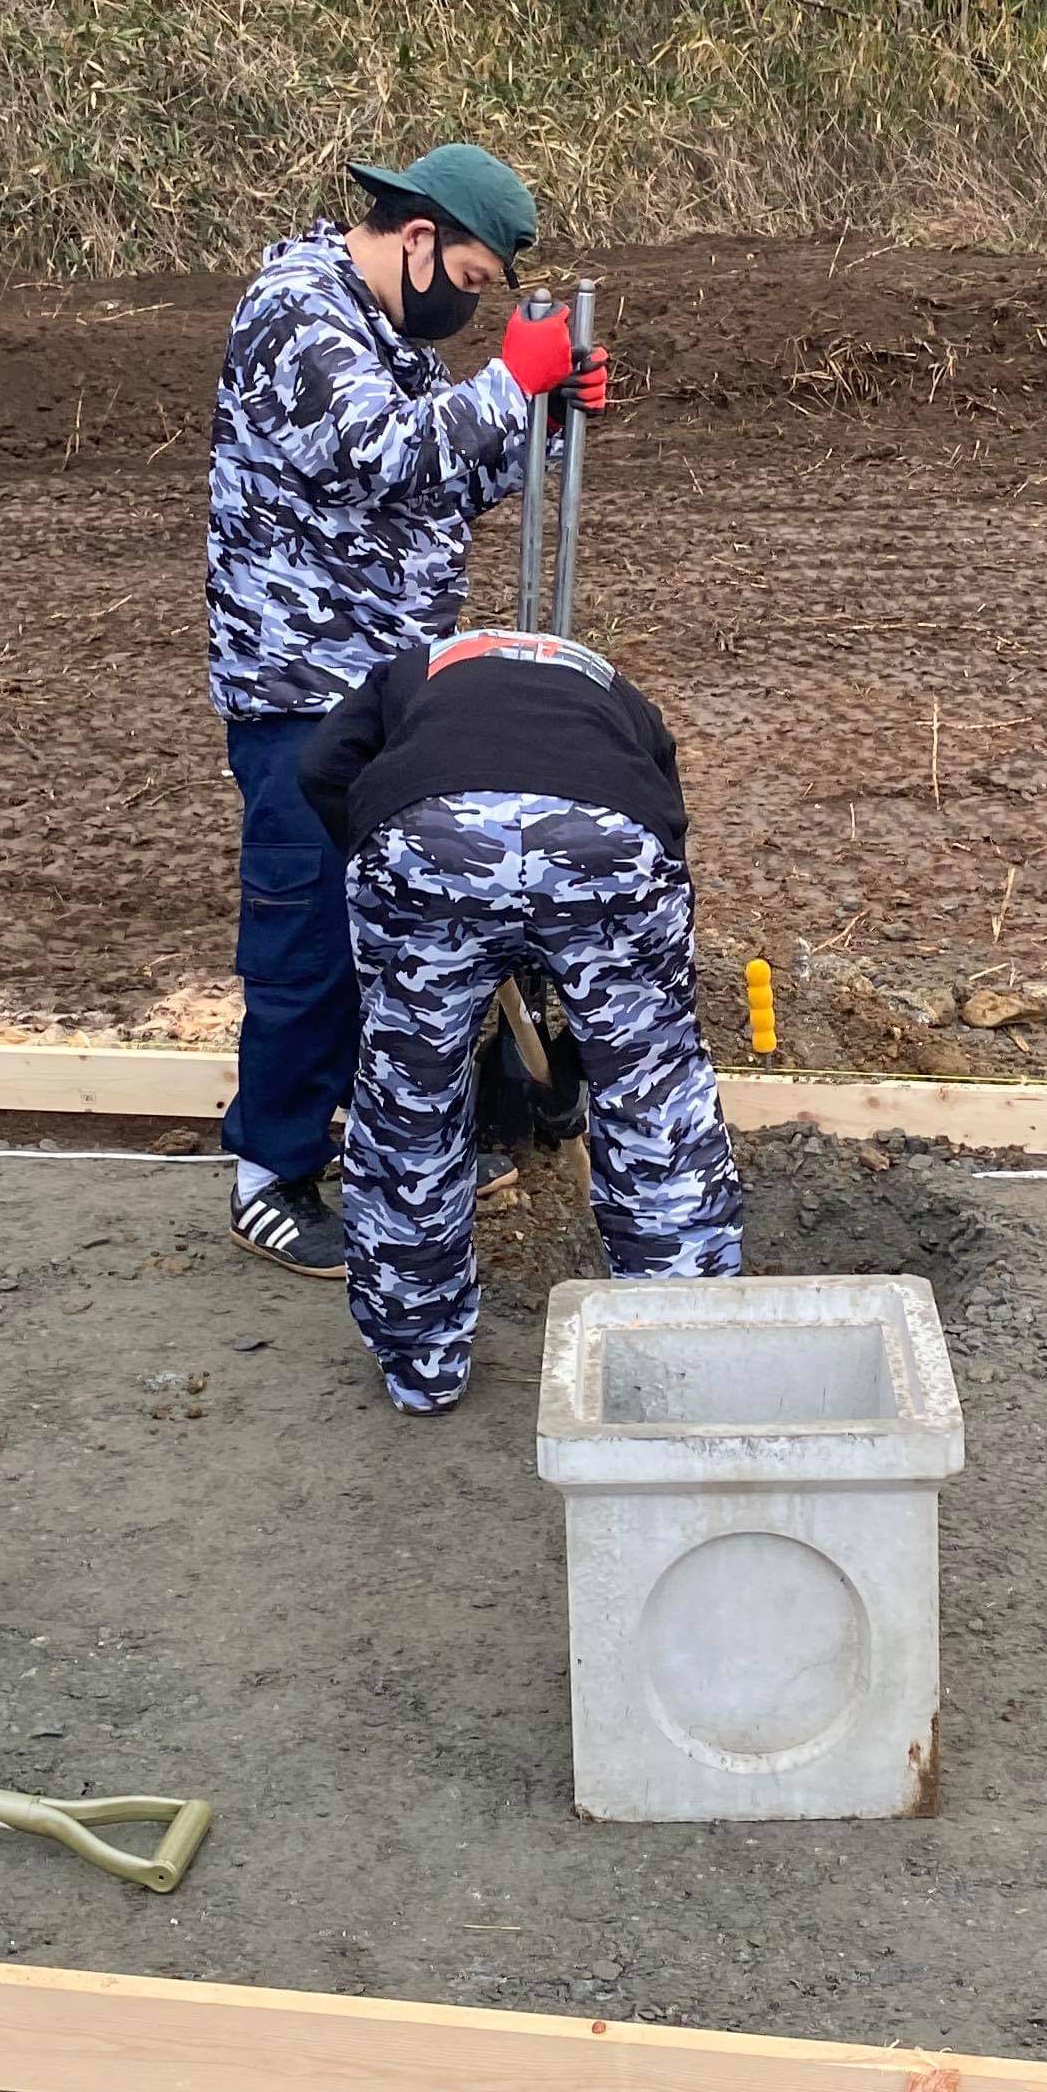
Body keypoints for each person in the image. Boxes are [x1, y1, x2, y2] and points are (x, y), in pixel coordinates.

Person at [205, 144, 604, 1276]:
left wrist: (546, 419)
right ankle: (270, 1172)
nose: (467, 309)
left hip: (391, 685)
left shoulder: (384, 334)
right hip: (299, 684)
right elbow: (383, 455)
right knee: (307, 936)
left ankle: (393, 1139)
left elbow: (446, 481)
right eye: (470, 284)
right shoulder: (296, 312)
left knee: (399, 923)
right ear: (418, 238)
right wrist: (508, 383)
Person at [294, 630, 743, 1413]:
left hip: (423, 838)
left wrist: (383, 863)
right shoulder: (612, 688)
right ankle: (683, 1362)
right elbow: (665, 816)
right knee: (654, 1096)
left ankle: (421, 1365)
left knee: (413, 1105)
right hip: (608, 841)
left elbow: (321, 768)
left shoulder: (411, 671)